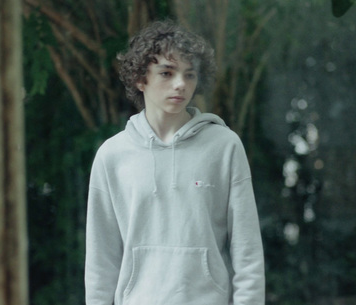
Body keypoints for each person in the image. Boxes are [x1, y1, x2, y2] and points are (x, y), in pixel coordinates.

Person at [85, 20, 265, 305]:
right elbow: (101, 261)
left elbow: (248, 252)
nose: (180, 84)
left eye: (189, 75)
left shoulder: (224, 146)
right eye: (167, 73)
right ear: (140, 79)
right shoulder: (112, 156)